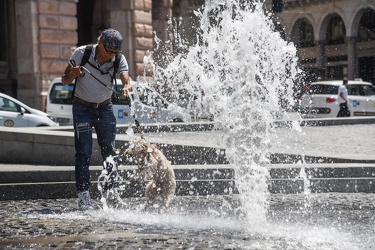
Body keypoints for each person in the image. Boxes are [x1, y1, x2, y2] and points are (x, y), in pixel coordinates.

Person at [61, 28, 131, 210]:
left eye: (115, 53)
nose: (112, 56)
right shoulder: (81, 53)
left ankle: (110, 193)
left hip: (105, 109)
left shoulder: (117, 58)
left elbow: (126, 78)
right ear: (100, 43)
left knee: (110, 152)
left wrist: (126, 87)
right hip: (82, 108)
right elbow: (64, 79)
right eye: (109, 52)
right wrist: (73, 74)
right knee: (83, 153)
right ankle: (84, 196)